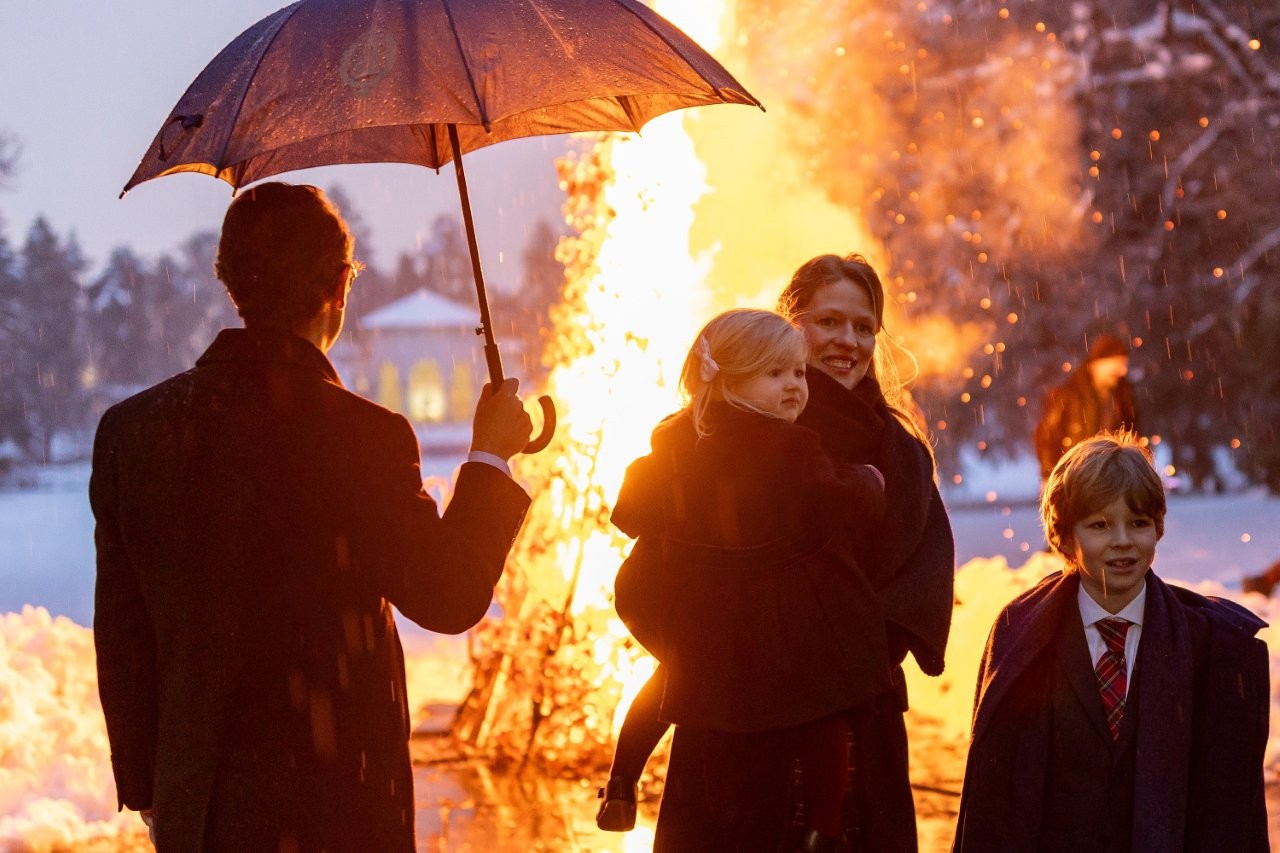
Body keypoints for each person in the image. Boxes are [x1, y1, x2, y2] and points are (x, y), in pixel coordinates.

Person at [91, 182, 534, 852]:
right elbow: (447, 593)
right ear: (338, 285)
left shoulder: (133, 433)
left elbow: (122, 635)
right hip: (339, 807)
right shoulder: (364, 438)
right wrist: (490, 457)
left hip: (201, 808)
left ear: (232, 284)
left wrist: (153, 789)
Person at [645, 255, 955, 852]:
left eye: (864, 327)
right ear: (793, 322)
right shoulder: (710, 436)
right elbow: (660, 571)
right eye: (829, 321)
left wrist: (841, 663)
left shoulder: (900, 452)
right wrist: (721, 651)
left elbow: (920, 579)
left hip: (854, 720)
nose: (848, 341)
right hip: (729, 717)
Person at [602, 309, 892, 852]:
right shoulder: (790, 446)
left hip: (703, 607)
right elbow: (837, 497)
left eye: (798, 373)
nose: (794, 386)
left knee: (673, 684)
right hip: (777, 608)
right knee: (823, 706)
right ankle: (824, 828)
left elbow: (632, 509)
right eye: (774, 374)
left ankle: (622, 779)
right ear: (728, 382)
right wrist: (870, 481)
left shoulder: (675, 441)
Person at [953, 432, 1270, 852]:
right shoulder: (1021, 637)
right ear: (1064, 536)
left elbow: (1230, 814)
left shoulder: (1211, 648)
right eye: (1100, 525)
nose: (1122, 540)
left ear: (1158, 529)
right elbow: (992, 802)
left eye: (1138, 523)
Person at [1034, 333, 1139, 481]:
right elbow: (1047, 436)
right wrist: (1049, 475)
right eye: (1119, 364)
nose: (1123, 371)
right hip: (1074, 477)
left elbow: (1133, 435)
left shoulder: (1123, 396)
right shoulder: (1069, 394)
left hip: (1110, 479)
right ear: (1099, 363)